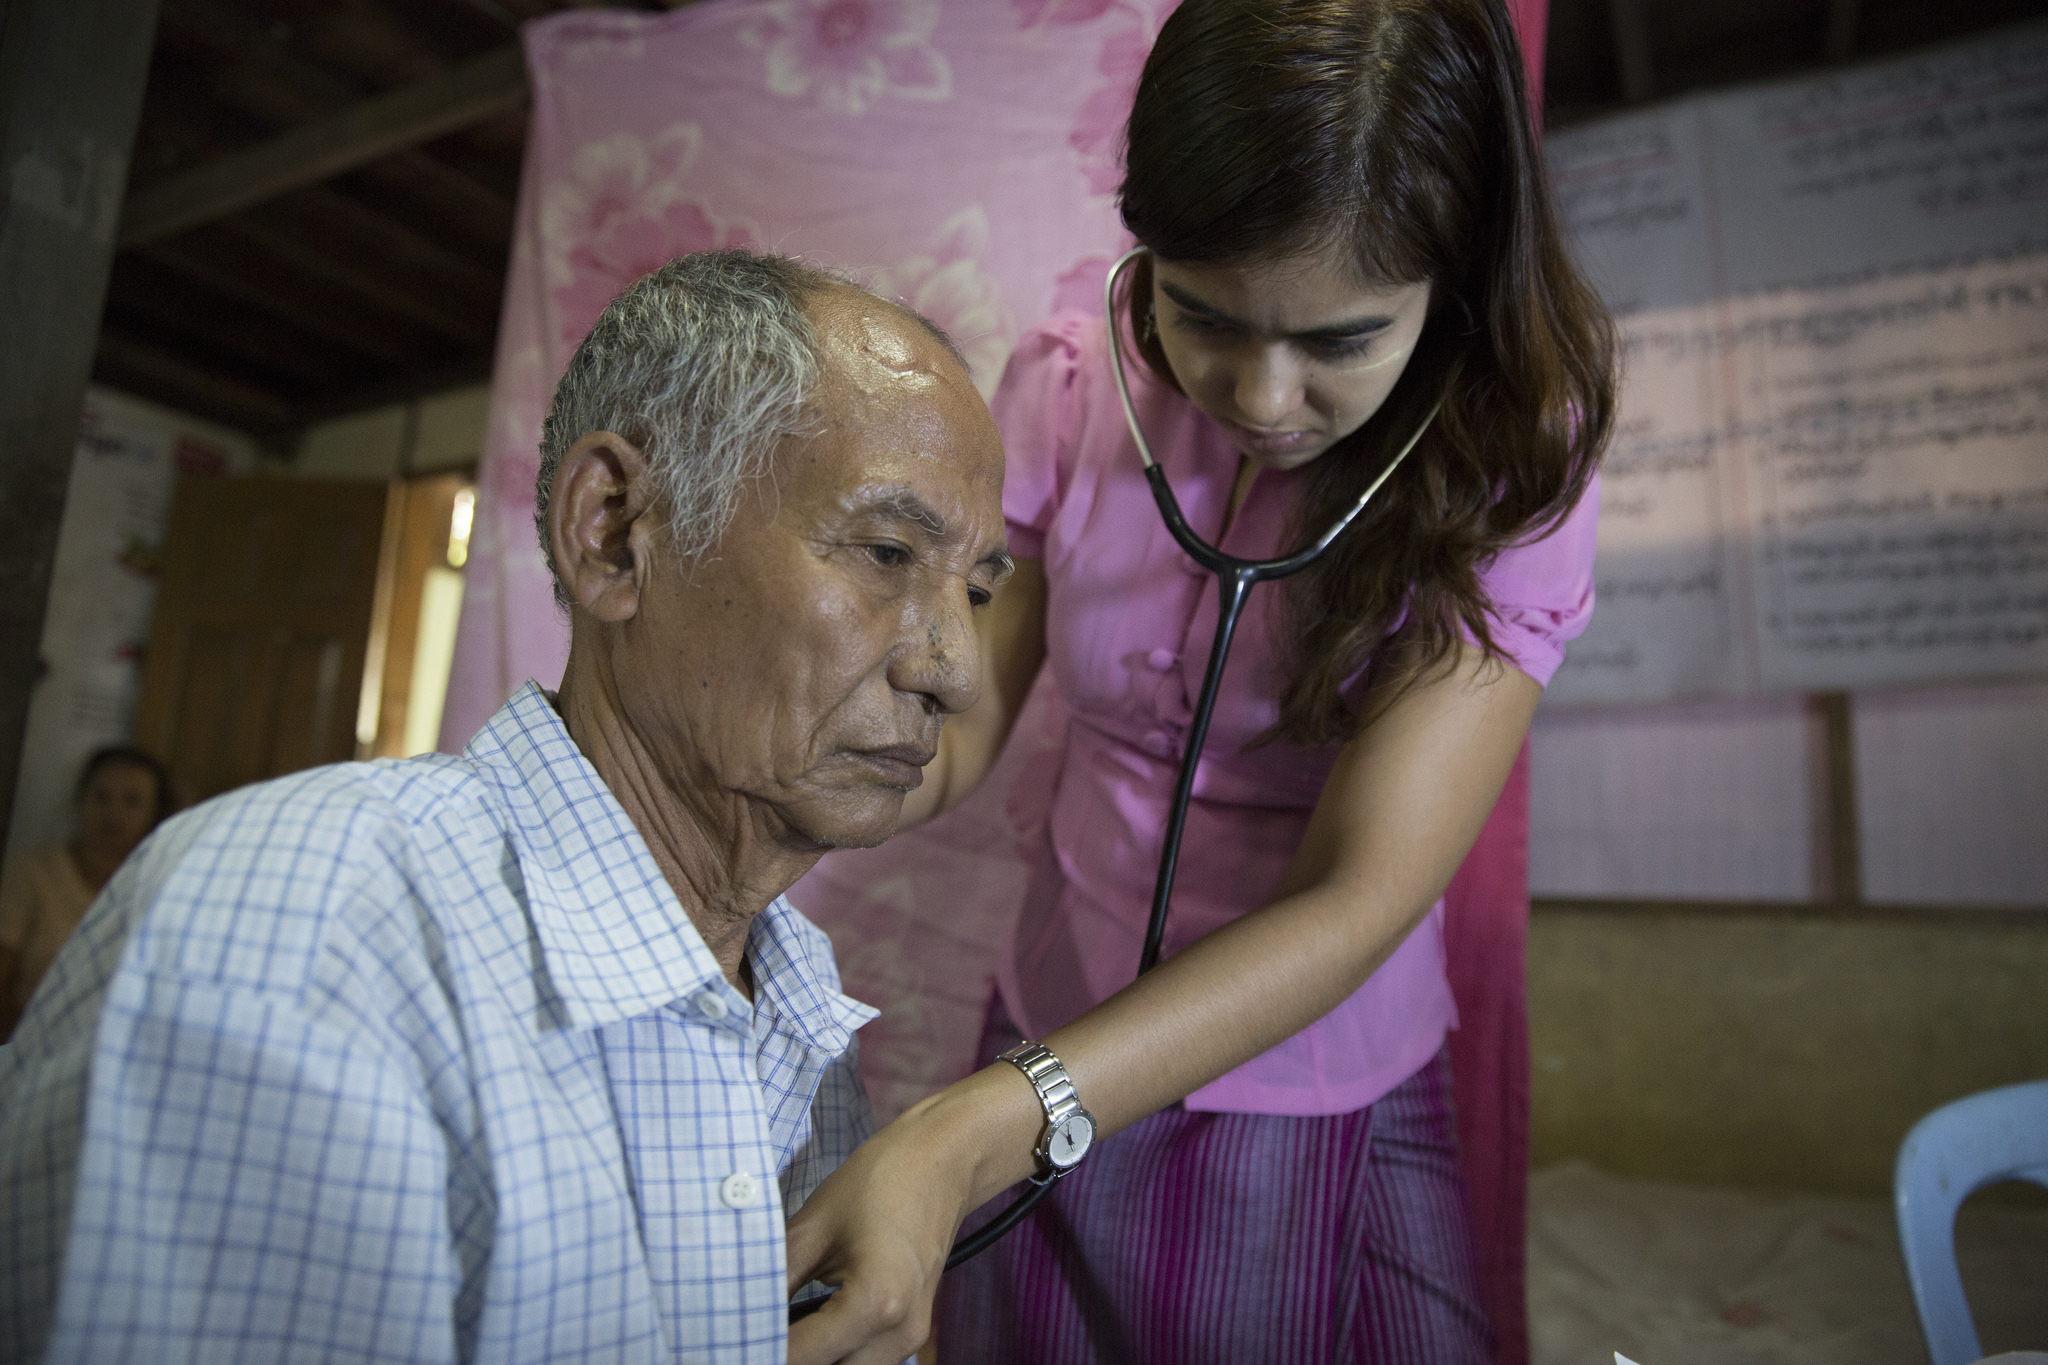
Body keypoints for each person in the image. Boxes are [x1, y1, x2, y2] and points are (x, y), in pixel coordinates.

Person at [785, 1, 1615, 1360]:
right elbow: (969, 707)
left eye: (1340, 341)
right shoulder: (1070, 392)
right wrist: (794, 802)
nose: (1261, 395)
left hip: (1299, 1076)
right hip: (1050, 995)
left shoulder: (1516, 465)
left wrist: (976, 1123)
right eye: (1203, 314)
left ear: (1450, 291)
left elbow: (1359, 894)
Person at [0, 250, 1011, 1365]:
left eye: (970, 590)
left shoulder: (793, 1002)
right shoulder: (297, 934)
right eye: (885, 553)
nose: (955, 671)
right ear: (615, 532)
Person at [0, 745, 174, 1041]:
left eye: (132, 801)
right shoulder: (30, 875)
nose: (113, 813)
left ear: (154, 813)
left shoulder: (162, 888)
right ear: (80, 800)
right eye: (102, 797)